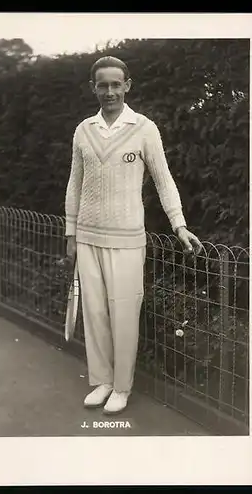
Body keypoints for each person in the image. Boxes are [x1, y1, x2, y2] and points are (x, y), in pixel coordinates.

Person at [65, 56, 202, 415]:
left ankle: (122, 387)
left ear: (127, 85)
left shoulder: (144, 128)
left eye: (115, 84)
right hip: (87, 236)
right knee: (95, 314)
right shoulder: (83, 129)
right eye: (102, 85)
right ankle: (103, 381)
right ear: (93, 87)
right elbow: (74, 184)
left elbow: (163, 179)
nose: (109, 91)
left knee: (123, 314)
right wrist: (70, 231)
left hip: (127, 239)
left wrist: (179, 224)